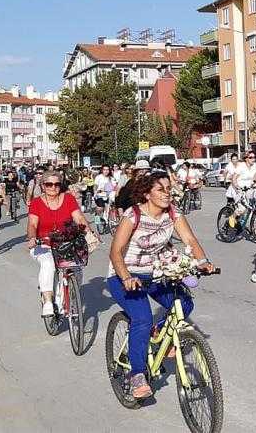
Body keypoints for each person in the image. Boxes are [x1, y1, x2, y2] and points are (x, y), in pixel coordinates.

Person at [108, 171, 215, 399]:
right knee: (142, 318)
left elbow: (190, 240)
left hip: (156, 272)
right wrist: (126, 276)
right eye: (160, 189)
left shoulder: (174, 213)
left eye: (168, 189)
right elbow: (115, 252)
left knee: (184, 304)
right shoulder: (133, 215)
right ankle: (137, 375)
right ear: (147, 194)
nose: (167, 194)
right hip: (124, 275)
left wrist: (203, 262)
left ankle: (159, 333)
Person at [26, 171, 98, 317]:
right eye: (49, 184)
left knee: (76, 268)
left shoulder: (68, 199)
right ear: (43, 186)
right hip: (43, 244)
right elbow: (32, 224)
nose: (53, 187)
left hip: (66, 243)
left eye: (57, 184)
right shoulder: (36, 203)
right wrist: (32, 238)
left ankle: (66, 297)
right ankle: (47, 301)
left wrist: (89, 233)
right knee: (49, 264)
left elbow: (79, 219)